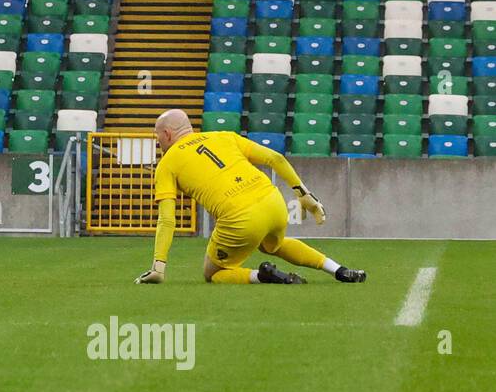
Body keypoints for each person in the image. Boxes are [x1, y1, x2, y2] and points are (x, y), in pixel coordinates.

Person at [135, 109, 367, 285]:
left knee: (213, 272)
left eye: (158, 137)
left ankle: (262, 276)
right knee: (273, 245)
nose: (158, 142)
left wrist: (159, 265)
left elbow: (167, 220)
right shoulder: (224, 136)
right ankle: (339, 270)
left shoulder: (166, 164)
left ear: (166, 134)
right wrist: (304, 195)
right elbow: (275, 158)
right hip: (273, 202)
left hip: (239, 216)